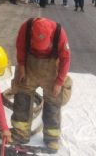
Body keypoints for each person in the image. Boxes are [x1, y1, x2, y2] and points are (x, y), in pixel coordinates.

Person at [11, 17, 72, 153]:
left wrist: (59, 81)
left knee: (53, 103)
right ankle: (21, 133)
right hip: (29, 67)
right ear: (32, 34)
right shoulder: (25, 28)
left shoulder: (59, 33)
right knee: (22, 98)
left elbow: (66, 58)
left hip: (50, 70)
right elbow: (20, 48)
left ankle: (51, 138)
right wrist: (21, 66)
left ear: (50, 37)